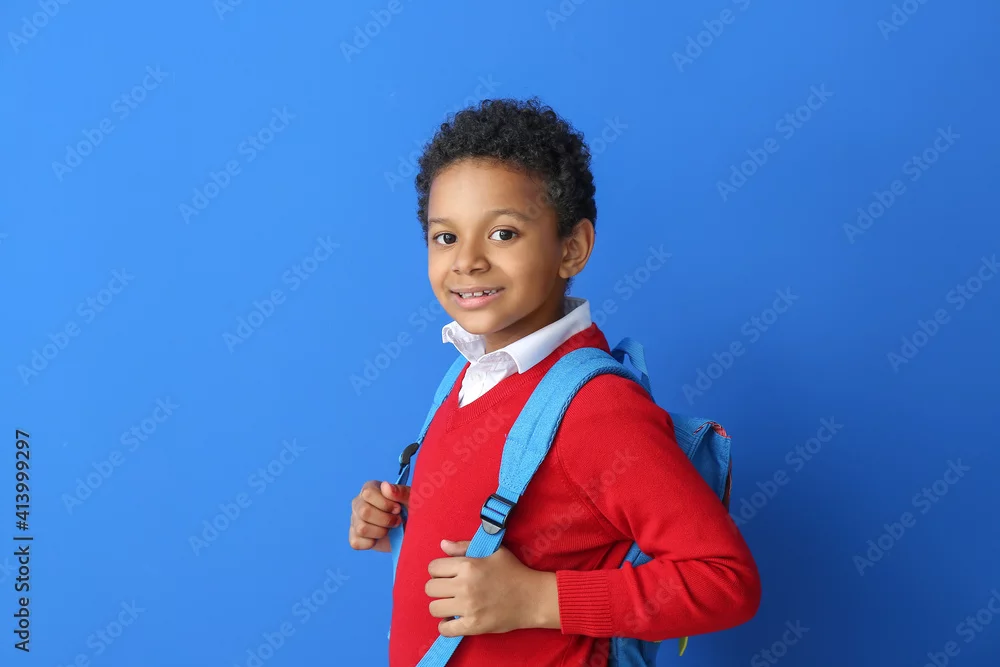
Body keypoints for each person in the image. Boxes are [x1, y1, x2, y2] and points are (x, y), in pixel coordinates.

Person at [348, 97, 761, 667]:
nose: (467, 261)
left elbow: (725, 581)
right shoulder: (467, 374)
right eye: (445, 237)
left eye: (503, 233)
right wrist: (404, 513)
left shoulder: (598, 409)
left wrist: (537, 599)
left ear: (572, 248)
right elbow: (532, 514)